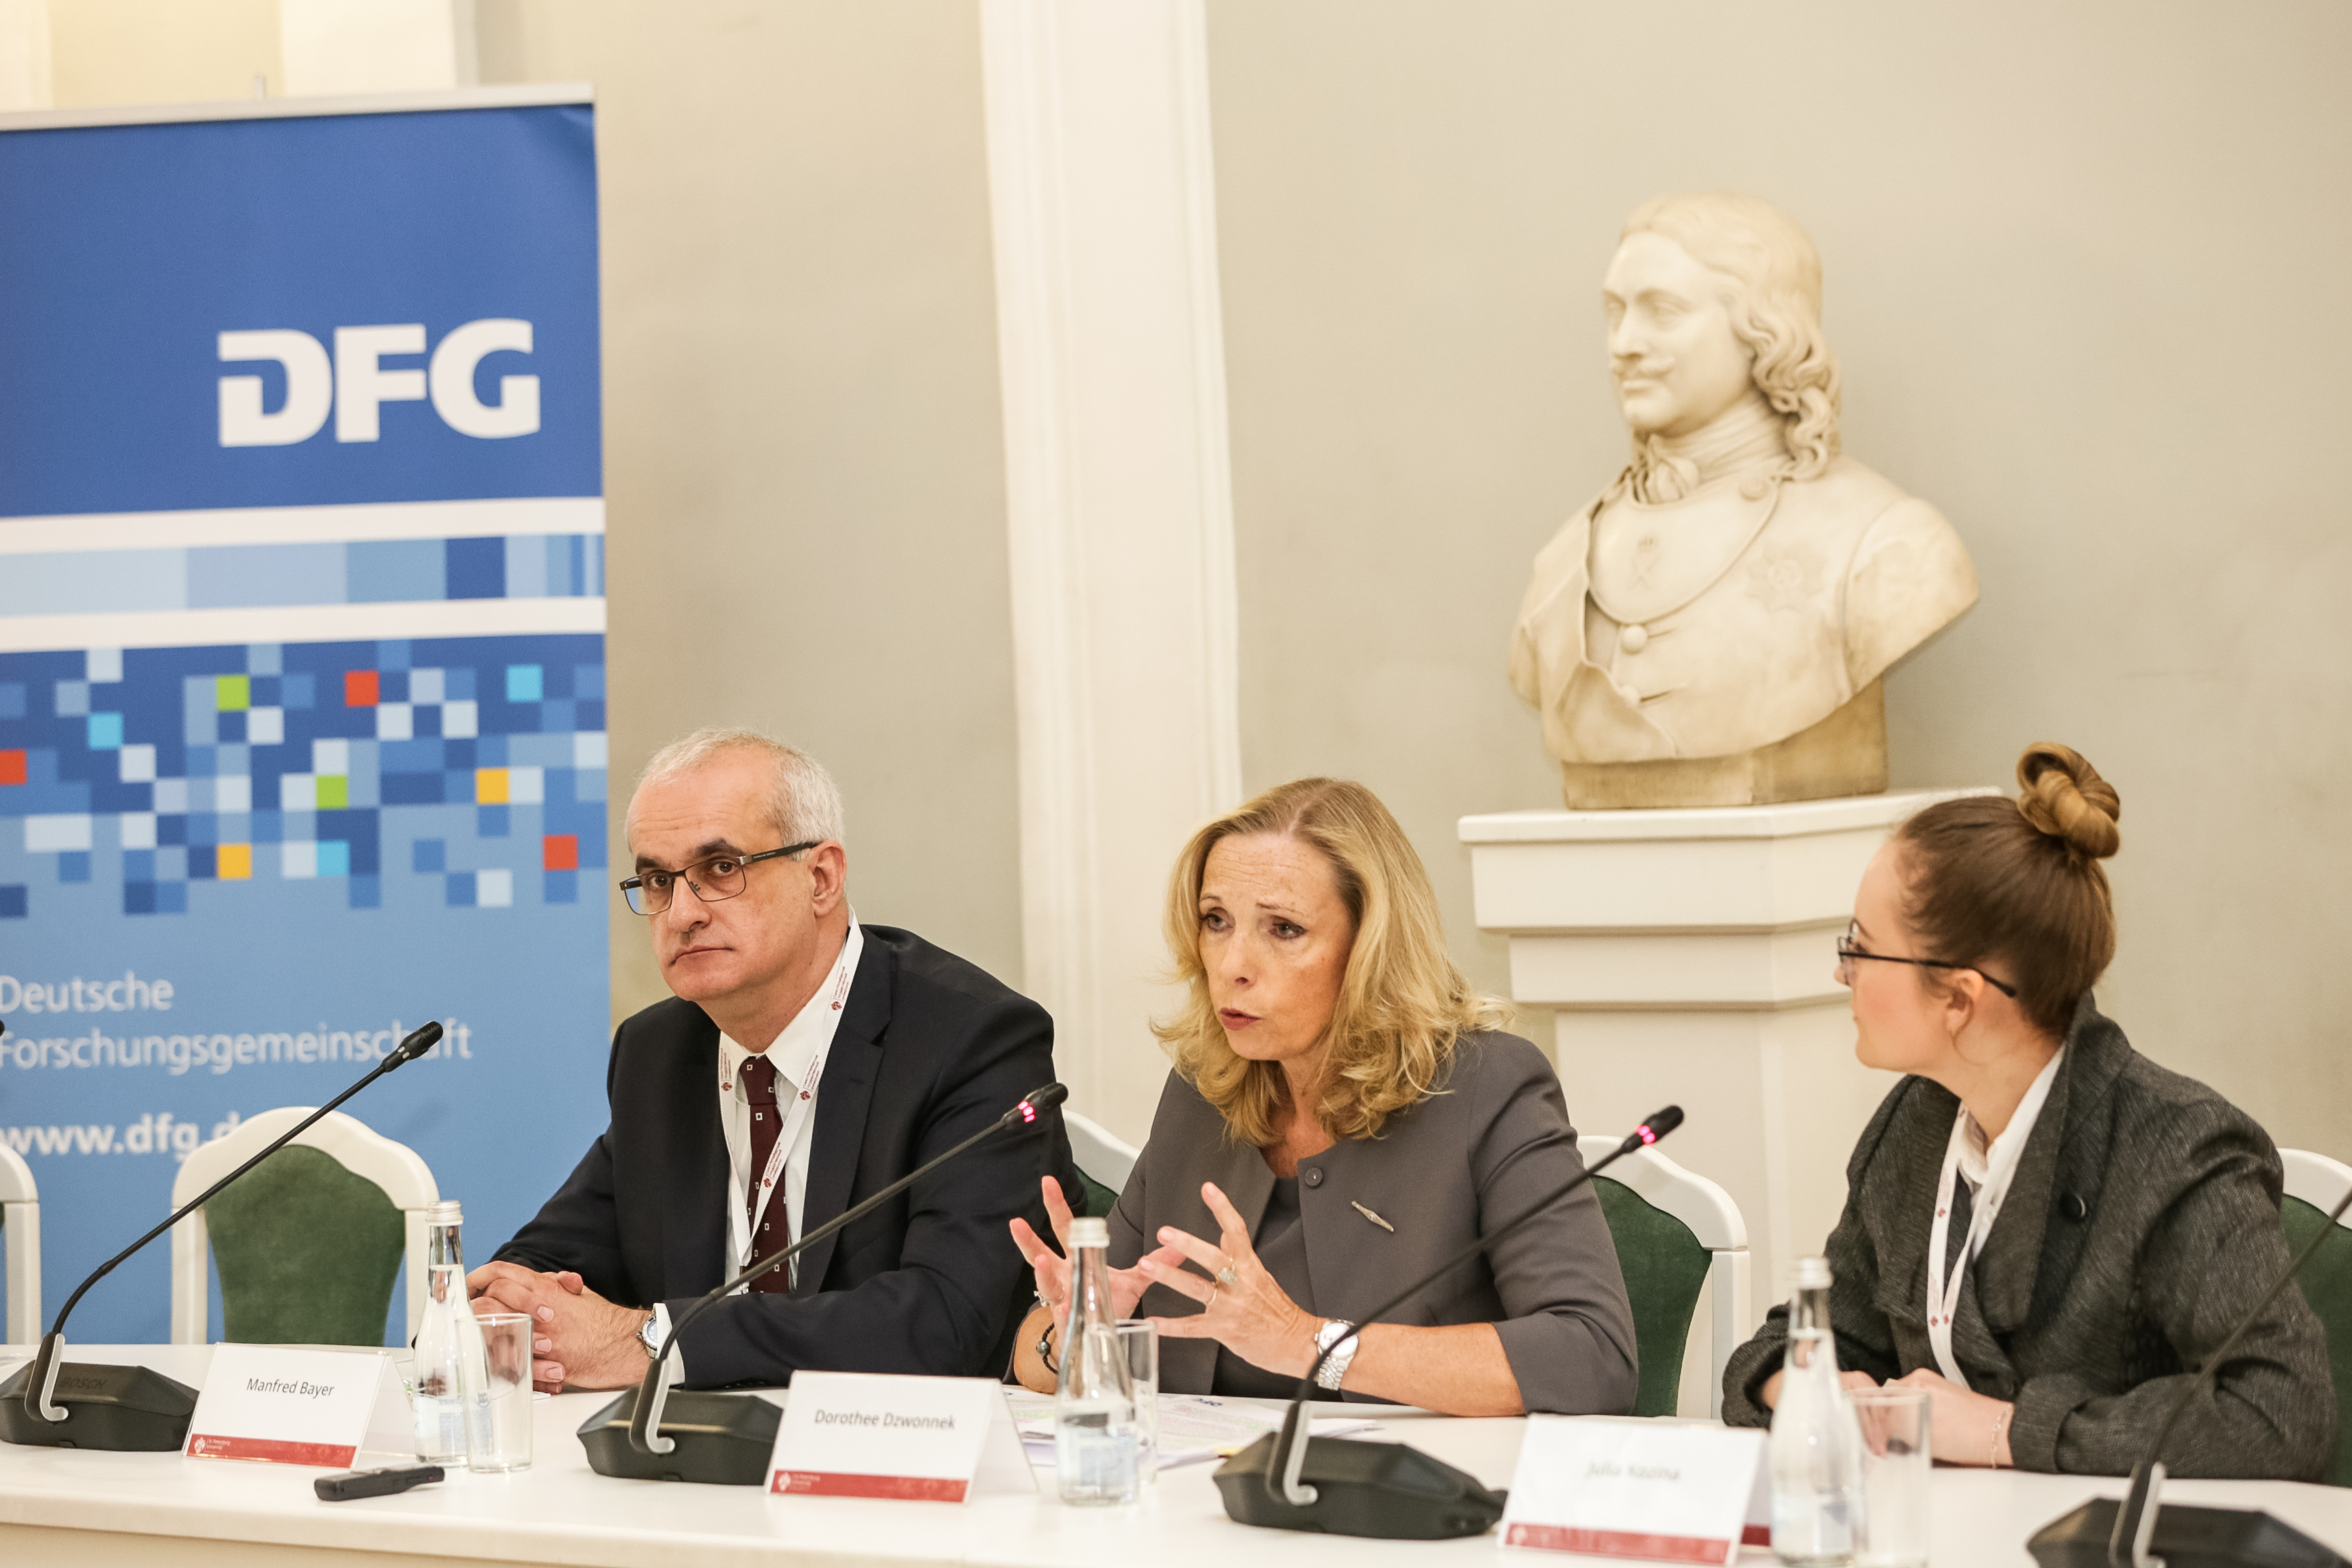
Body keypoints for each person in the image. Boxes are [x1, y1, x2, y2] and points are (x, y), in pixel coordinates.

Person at [1722, 743, 2335, 1477]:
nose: (1840, 969)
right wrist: (1802, 1384)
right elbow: (1810, 1335)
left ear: (1959, 997)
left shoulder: (2180, 1148)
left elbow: (2279, 1415)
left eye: (1861, 945)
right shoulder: (1913, 1125)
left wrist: (2004, 1430)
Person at [470, 727, 1079, 1391]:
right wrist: (499, 1311)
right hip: (699, 1469)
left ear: (821, 877)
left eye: (720, 870)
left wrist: (651, 1343)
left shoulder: (971, 1039)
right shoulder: (659, 1052)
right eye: (656, 879)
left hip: (897, 1461)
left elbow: (946, 1320)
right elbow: (548, 1259)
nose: (681, 912)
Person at [1007, 778, 1638, 1416]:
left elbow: (1593, 1357)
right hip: (1201, 1497)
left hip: (1414, 1497)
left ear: (1370, 948)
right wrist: (1082, 1328)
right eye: (1216, 921)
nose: (1233, 963)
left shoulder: (1486, 1086)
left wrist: (1309, 1342)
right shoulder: (1204, 1089)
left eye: (1283, 928)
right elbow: (1031, 1357)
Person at [1510, 190, 1978, 807]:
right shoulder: (1562, 567)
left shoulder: (1883, 543)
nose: (1623, 343)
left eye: (1663, 311)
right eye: (1615, 311)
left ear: (1766, 329)